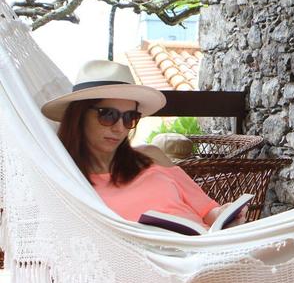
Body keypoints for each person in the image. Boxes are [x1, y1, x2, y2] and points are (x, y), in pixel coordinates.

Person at [40, 60, 246, 229]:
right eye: (108, 115)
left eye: (129, 117)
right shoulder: (69, 182)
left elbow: (208, 211)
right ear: (79, 116)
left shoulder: (151, 156)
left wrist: (225, 215)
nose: (119, 127)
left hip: (208, 248)